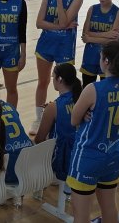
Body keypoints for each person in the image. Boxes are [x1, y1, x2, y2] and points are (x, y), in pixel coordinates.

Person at [66, 40, 119, 223]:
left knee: (80, 215)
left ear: (106, 61)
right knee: (109, 208)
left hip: (89, 156)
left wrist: (86, 115)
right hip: (114, 153)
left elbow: (74, 119)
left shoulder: (93, 89)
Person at [30, 0, 83, 135]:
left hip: (65, 46)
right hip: (46, 44)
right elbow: (39, 23)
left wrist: (59, 1)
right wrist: (60, 26)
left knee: (64, 85)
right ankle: (39, 118)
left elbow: (62, 20)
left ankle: (61, 117)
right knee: (43, 82)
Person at [34, 63, 82, 194]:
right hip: (81, 155)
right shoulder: (82, 98)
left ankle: (48, 179)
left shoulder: (54, 107)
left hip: (61, 160)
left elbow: (39, 139)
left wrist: (48, 113)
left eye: (53, 76)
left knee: (31, 148)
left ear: (59, 79)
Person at [80, 0, 119, 88]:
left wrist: (91, 38)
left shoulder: (118, 12)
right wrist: (105, 34)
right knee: (87, 88)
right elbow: (85, 34)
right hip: (90, 56)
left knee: (106, 90)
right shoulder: (92, 9)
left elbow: (113, 40)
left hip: (108, 57)